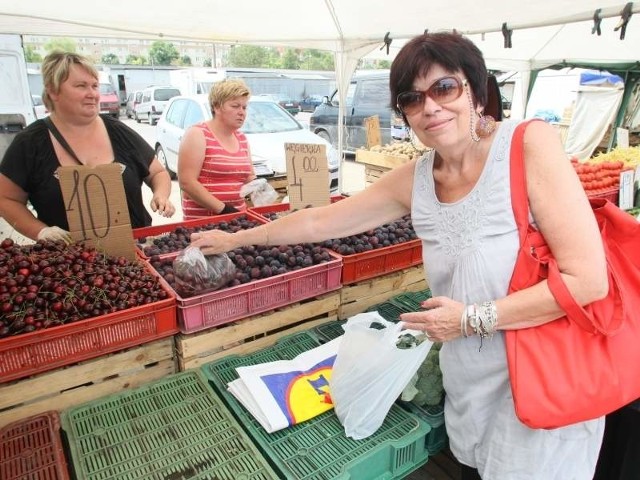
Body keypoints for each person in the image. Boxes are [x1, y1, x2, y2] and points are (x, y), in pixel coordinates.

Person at [189, 32, 607, 479]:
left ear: (477, 90)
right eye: (412, 98)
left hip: (545, 379)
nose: (430, 107)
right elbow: (319, 223)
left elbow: (588, 281)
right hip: (470, 382)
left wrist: (469, 319)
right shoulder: (418, 178)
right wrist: (236, 240)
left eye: (445, 88)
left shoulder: (526, 146)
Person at [0, 51, 175, 243]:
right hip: (73, 262)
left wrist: (161, 195)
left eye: (94, 86)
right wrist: (41, 231)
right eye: (81, 86)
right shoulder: (30, 143)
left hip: (135, 255)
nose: (92, 94)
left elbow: (157, 173)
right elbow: (6, 199)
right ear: (53, 91)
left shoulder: (118, 131)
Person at [178, 78, 256, 219]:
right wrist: (223, 209)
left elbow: (249, 177)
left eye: (244, 107)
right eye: (235, 106)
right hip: (204, 223)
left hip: (237, 220)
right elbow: (187, 182)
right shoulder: (197, 134)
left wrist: (262, 191)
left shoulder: (242, 139)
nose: (242, 112)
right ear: (216, 107)